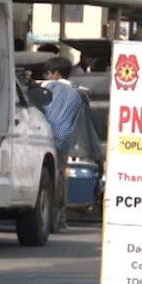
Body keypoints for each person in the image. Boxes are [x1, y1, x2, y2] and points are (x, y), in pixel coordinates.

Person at [40, 56, 84, 231]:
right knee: (60, 178)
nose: (48, 76)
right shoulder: (77, 92)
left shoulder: (46, 88)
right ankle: (60, 218)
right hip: (64, 139)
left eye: (49, 73)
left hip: (44, 138)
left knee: (46, 178)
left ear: (55, 74)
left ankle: (45, 215)